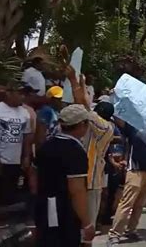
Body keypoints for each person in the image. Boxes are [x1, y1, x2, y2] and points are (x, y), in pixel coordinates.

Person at [34, 104, 94, 247]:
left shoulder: (46, 145)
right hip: (64, 212)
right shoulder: (75, 151)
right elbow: (77, 190)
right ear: (82, 124)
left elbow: (34, 176)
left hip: (43, 206)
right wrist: (87, 223)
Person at [107, 113, 146, 246]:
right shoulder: (133, 128)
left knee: (140, 204)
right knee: (126, 203)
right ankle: (115, 234)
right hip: (135, 170)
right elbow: (119, 119)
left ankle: (131, 230)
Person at [66, 65, 114, 228]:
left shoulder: (104, 126)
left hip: (91, 180)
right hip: (82, 178)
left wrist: (74, 81)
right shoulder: (91, 126)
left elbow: (84, 107)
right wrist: (80, 85)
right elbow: (81, 106)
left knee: (87, 224)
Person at [0, 80, 33, 206]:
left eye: (24, 94)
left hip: (15, 159)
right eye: (20, 93)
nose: (22, 96)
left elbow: (27, 136)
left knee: (9, 192)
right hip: (1, 157)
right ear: (9, 93)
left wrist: (26, 156)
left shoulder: (24, 113)